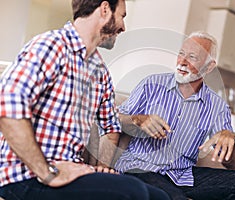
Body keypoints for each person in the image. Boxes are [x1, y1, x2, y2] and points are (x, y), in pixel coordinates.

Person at [0, 0, 170, 199]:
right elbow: (7, 108)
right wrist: (47, 173)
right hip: (26, 175)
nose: (123, 27)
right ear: (105, 9)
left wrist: (103, 169)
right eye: (122, 16)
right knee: (135, 192)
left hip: (71, 170)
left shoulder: (99, 69)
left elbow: (110, 127)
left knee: (159, 196)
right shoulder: (51, 46)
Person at [114, 31, 235, 200]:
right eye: (181, 54)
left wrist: (232, 140)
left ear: (209, 67)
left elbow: (233, 164)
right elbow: (114, 119)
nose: (182, 62)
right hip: (141, 167)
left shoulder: (217, 106)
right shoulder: (151, 84)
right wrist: (137, 119)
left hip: (183, 175)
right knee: (175, 198)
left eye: (192, 57)